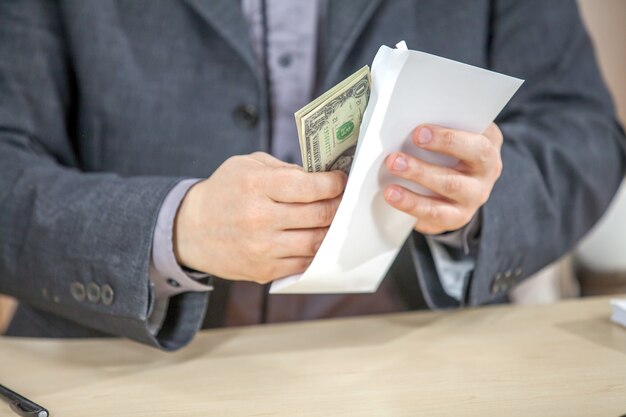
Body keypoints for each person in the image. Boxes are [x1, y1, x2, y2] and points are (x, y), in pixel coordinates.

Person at [0, 0, 623, 351]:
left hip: (418, 356)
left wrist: (476, 206)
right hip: (121, 361)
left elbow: (587, 132)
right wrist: (171, 228)